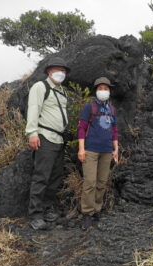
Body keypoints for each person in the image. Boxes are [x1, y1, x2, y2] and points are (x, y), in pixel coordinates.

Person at [26, 57, 70, 230]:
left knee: (56, 176)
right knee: (41, 176)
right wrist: (32, 133)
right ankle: (35, 215)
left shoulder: (62, 91)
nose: (61, 73)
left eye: (63, 70)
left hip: (59, 139)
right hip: (44, 136)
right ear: (48, 72)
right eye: (57, 69)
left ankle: (46, 209)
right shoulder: (40, 87)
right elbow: (33, 108)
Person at [77, 77, 119, 230]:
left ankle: (97, 209)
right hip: (91, 149)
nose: (103, 91)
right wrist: (81, 149)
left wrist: (116, 149)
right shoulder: (90, 107)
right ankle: (87, 214)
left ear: (109, 91)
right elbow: (81, 128)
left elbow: (114, 130)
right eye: (100, 88)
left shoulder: (112, 109)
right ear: (96, 91)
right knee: (90, 183)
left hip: (107, 150)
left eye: (106, 88)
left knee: (101, 183)